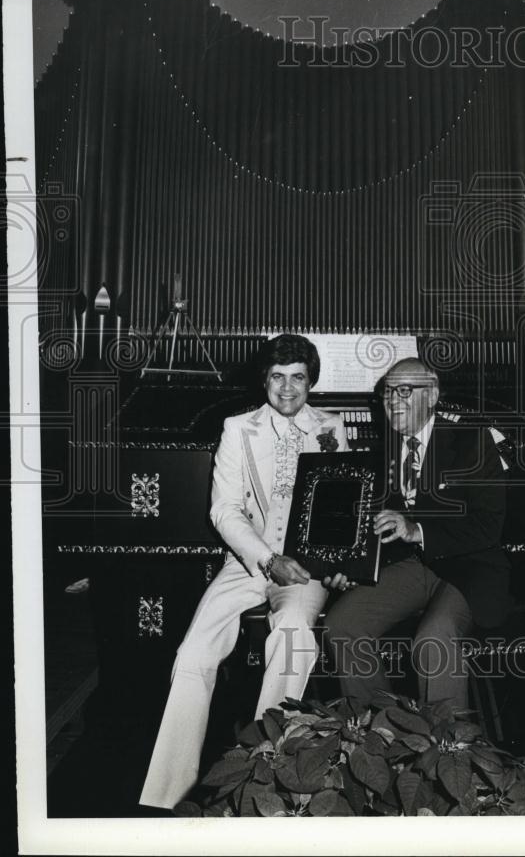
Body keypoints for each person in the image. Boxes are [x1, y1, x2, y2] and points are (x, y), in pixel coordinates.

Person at [140, 334, 348, 810]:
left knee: (293, 634)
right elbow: (224, 511)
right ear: (264, 380)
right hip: (247, 561)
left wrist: (334, 565)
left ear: (311, 380)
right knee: (194, 650)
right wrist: (265, 558)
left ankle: (265, 779)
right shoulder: (238, 428)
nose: (288, 388)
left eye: (298, 377)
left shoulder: (332, 427)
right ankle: (166, 797)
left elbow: (340, 506)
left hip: (304, 569)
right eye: (278, 377)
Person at [323, 356, 509, 711]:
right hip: (414, 567)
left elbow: (488, 526)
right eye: (387, 392)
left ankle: (447, 753)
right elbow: (372, 526)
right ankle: (382, 736)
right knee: (342, 624)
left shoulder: (473, 440)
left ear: (433, 395)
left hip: (469, 567)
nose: (393, 400)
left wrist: (417, 530)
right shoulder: (388, 448)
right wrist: (351, 567)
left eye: (405, 390)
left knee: (433, 638)